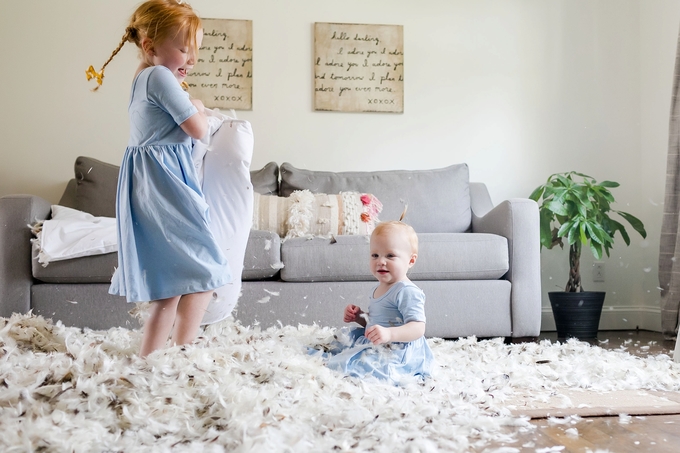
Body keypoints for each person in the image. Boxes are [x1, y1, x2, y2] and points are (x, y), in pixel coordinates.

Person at [87, 0, 231, 357]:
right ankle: (183, 354)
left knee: (170, 288)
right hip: (166, 185)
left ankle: (148, 360)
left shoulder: (141, 76)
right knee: (204, 272)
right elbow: (197, 129)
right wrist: (196, 104)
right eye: (184, 49)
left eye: (195, 51)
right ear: (151, 46)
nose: (192, 59)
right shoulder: (159, 77)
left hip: (148, 183)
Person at [323, 220, 435, 385]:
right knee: (339, 345)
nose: (381, 261)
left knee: (364, 367)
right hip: (379, 341)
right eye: (375, 255)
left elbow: (418, 328)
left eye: (390, 255)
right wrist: (359, 316)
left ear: (411, 261)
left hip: (396, 349)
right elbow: (377, 320)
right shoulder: (379, 287)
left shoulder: (407, 291)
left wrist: (390, 334)